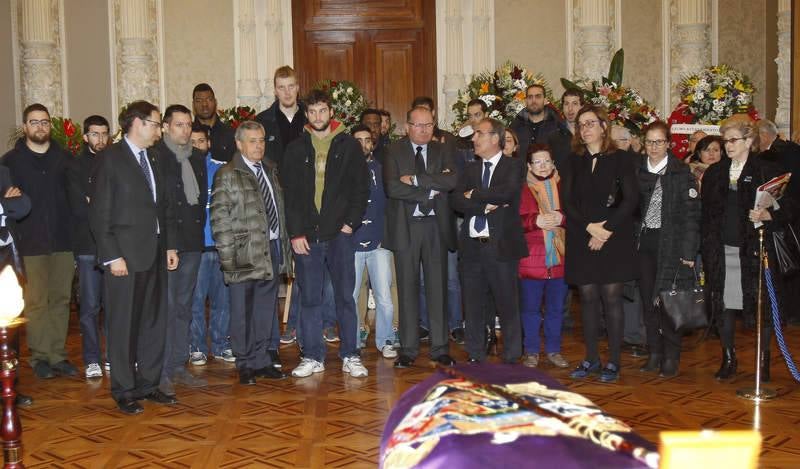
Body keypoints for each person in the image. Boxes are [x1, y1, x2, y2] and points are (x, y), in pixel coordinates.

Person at [89, 100, 180, 414]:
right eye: (156, 123)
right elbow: (99, 214)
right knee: (123, 324)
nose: (159, 129)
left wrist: (168, 246)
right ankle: (124, 389)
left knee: (154, 321)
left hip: (153, 252)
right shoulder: (110, 159)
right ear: (138, 123)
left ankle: (149, 383)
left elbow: (161, 207)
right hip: (124, 257)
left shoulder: (153, 156)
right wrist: (112, 256)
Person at [281, 89, 370, 378]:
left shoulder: (349, 146)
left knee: (345, 296)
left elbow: (360, 189)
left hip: (339, 235)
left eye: (323, 110)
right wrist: (295, 232)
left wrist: (350, 224)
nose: (318, 116)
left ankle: (351, 355)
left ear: (331, 112)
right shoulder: (296, 148)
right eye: (312, 111)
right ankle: (312, 355)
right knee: (310, 298)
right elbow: (290, 196)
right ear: (306, 114)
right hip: (307, 236)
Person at [701, 118, 795, 382]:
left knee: (761, 307)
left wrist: (769, 212)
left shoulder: (767, 170)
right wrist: (707, 247)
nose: (727, 146)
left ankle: (762, 362)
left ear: (749, 141)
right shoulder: (715, 172)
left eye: (733, 140)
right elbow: (706, 215)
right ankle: (728, 358)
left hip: (756, 252)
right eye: (725, 140)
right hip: (723, 250)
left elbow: (789, 207)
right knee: (725, 306)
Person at [210, 120, 291, 385]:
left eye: (262, 140)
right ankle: (245, 363)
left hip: (271, 249)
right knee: (242, 312)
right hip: (242, 253)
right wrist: (227, 257)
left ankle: (261, 360)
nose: (259, 146)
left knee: (264, 310)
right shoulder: (228, 173)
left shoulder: (270, 169)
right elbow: (219, 220)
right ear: (239, 144)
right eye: (253, 141)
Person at [563, 105, 640, 383]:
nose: (585, 129)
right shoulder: (573, 160)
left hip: (614, 237)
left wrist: (605, 230)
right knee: (587, 298)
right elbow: (568, 202)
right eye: (581, 125)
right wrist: (589, 228)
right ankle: (591, 357)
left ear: (604, 126)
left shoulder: (621, 158)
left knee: (611, 299)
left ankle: (614, 361)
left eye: (590, 123)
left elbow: (631, 199)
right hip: (582, 235)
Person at [1, 103, 77, 380]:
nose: (40, 127)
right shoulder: (10, 162)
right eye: (34, 122)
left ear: (50, 126)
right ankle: (39, 356)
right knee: (35, 302)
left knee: (60, 299)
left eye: (44, 122)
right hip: (29, 242)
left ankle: (58, 355)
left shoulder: (66, 158)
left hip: (63, 240)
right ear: (25, 127)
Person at [385, 106, 458, 368]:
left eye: (429, 125)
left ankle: (440, 348)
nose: (425, 130)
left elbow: (451, 181)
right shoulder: (394, 150)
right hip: (407, 227)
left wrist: (415, 180)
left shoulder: (443, 149)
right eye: (419, 125)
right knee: (407, 288)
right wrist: (428, 192)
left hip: (436, 227)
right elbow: (392, 187)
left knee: (437, 288)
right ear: (407, 127)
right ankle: (408, 348)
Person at [450, 117, 527, 364]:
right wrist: (483, 206)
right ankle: (475, 352)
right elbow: (456, 201)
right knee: (472, 304)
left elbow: (507, 193)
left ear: (495, 138)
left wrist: (474, 194)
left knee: (507, 303)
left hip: (501, 247)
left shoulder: (513, 166)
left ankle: (512, 354)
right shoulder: (470, 169)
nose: (473, 139)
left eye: (479, 133)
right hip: (472, 247)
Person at [636, 121, 700, 377]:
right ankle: (654, 352)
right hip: (644, 243)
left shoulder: (681, 173)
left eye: (659, 142)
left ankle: (671, 355)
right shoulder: (637, 170)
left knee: (669, 301)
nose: (653, 147)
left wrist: (688, 252)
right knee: (647, 300)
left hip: (672, 245)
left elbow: (692, 216)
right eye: (649, 142)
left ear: (669, 144)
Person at [153, 105, 208, 391]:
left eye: (188, 125)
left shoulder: (197, 158)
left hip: (193, 242)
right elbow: (160, 206)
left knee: (185, 307)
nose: (185, 130)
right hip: (169, 245)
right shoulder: (156, 157)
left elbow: (200, 204)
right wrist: (169, 245)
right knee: (167, 306)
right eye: (179, 125)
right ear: (165, 127)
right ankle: (160, 371)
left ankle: (178, 364)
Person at [66, 115, 110, 379]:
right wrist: (98, 203)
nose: (100, 139)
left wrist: (96, 201)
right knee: (90, 307)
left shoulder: (115, 161)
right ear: (85, 137)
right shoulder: (75, 167)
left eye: (104, 133)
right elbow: (79, 208)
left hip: (112, 246)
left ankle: (113, 356)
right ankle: (92, 358)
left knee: (114, 306)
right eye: (95, 134)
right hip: (86, 245)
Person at [518, 144, 569, 368]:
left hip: (560, 256)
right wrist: (534, 221)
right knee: (530, 309)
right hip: (531, 257)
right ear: (529, 166)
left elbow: (579, 214)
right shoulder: (522, 189)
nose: (542, 166)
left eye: (547, 161)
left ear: (553, 164)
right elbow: (511, 221)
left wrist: (562, 219)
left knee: (556, 309)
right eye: (537, 162)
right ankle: (531, 351)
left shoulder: (564, 187)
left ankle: (553, 350)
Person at [188, 124, 234, 365]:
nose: (197, 146)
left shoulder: (222, 170)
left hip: (220, 246)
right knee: (195, 301)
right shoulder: (180, 171)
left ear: (209, 144)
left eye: (201, 141)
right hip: (195, 249)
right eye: (192, 142)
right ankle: (196, 346)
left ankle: (221, 344)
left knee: (223, 301)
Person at [351, 125, 397, 359]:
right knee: (350, 296)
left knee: (385, 298)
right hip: (352, 244)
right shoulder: (342, 171)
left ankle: (386, 339)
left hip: (379, 243)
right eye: (357, 140)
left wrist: (385, 238)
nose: (363, 145)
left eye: (367, 140)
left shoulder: (383, 170)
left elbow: (391, 207)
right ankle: (353, 339)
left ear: (373, 144)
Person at [0, 161, 33, 407]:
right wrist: (4, 205)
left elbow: (22, 206)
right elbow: (9, 204)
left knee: (10, 329)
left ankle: (10, 385)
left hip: (7, 256)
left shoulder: (3, 171)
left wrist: (8, 205)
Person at [255, 65, 307, 169]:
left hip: (307, 183)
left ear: (297, 88)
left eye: (291, 86)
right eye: (281, 87)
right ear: (275, 91)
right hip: (275, 183)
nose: (287, 92)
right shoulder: (261, 121)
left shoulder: (311, 118)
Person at [510, 84, 566, 161]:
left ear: (545, 101)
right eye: (530, 97)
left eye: (538, 96)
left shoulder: (557, 126)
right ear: (525, 101)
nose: (534, 101)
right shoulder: (515, 127)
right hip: (521, 172)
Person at [192, 83, 236, 162]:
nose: (204, 104)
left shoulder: (230, 133)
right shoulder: (187, 134)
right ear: (193, 104)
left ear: (215, 102)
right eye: (199, 101)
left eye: (209, 99)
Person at [548, 88, 584, 170]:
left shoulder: (589, 132)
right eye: (566, 104)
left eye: (574, 104)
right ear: (562, 107)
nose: (570, 108)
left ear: (582, 107)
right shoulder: (553, 134)